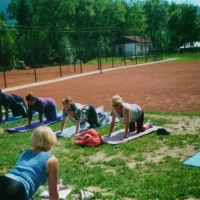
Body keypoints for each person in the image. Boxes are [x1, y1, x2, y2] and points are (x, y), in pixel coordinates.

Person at [0, 126, 59, 200]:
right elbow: (53, 193)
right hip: (18, 188)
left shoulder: (25, 153)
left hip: (4, 180)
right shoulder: (52, 160)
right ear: (51, 140)